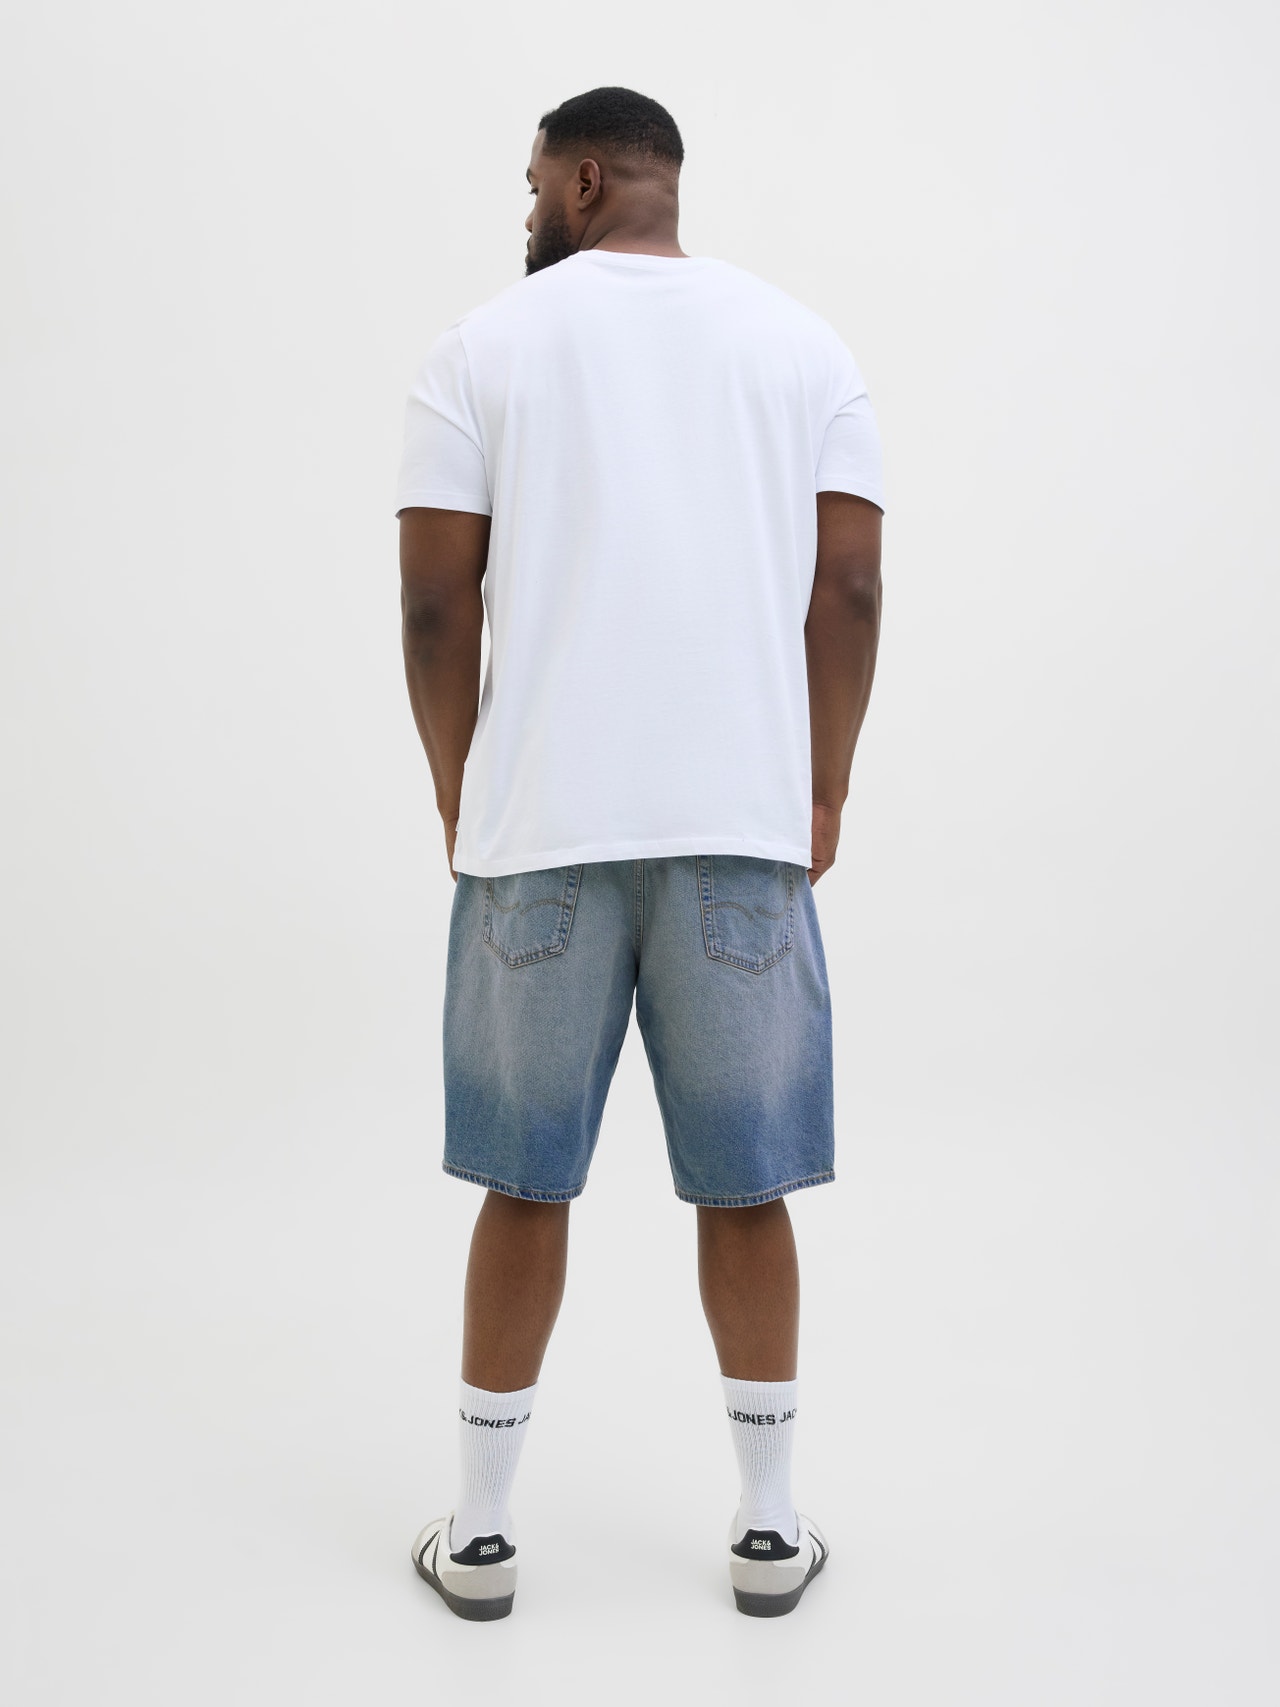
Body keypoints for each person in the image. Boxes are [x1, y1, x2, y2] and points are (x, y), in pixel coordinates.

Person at [394, 85, 884, 1621]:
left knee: (522, 1188)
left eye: (533, 181)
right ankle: (768, 1529)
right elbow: (852, 592)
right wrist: (824, 786)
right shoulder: (804, 347)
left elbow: (434, 603)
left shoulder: (477, 350)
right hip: (738, 825)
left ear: (588, 179)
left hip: (538, 831)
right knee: (746, 1192)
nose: (526, 207)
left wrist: (456, 783)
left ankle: (482, 1539)